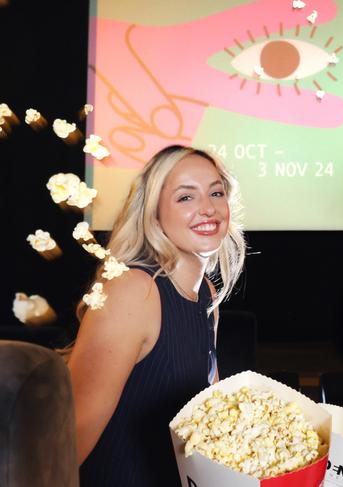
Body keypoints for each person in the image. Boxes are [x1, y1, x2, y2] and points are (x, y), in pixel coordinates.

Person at [67, 145, 245, 486]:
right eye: (185, 198)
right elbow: (66, 441)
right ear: (153, 213)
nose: (207, 208)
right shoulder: (133, 289)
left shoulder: (206, 293)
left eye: (216, 192)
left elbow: (209, 420)